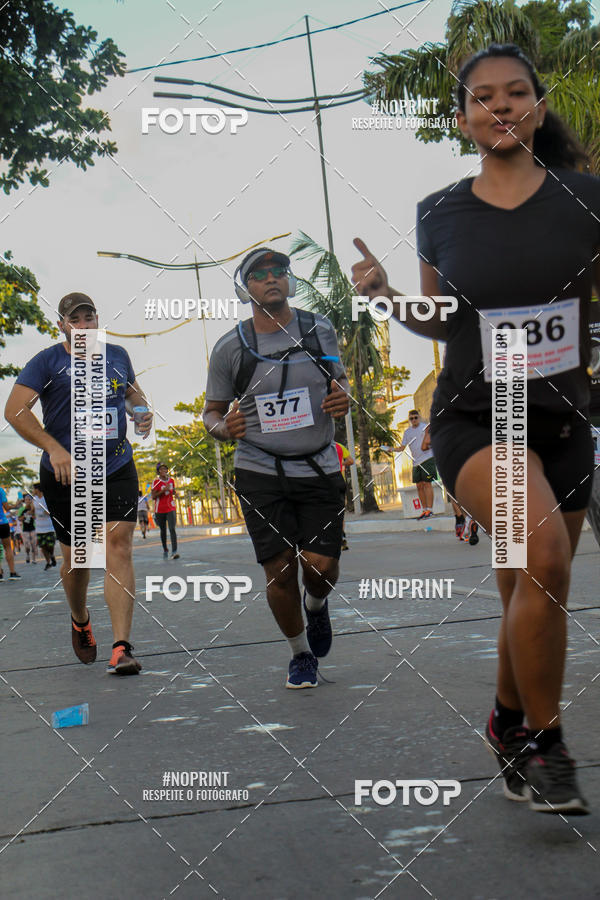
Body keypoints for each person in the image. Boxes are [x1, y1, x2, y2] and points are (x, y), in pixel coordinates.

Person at [352, 43, 598, 814]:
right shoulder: (440, 211)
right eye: (483, 97)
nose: (501, 106)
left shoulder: (587, 198)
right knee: (545, 555)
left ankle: (506, 720)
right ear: (462, 119)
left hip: (562, 416)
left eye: (516, 92)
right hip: (476, 414)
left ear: (539, 107)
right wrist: (386, 295)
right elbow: (442, 318)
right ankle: (547, 745)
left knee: (531, 585)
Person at [203, 247, 349, 688]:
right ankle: (300, 654)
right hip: (259, 470)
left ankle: (316, 605)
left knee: (321, 566)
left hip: (319, 465)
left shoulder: (319, 330)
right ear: (245, 288)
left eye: (279, 270)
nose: (271, 278)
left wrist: (342, 397)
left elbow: (340, 381)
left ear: (289, 280)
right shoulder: (230, 347)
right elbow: (211, 413)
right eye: (259, 274)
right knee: (280, 568)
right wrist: (223, 428)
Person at [5, 292, 153, 675]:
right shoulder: (47, 362)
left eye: (89, 318)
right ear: (62, 326)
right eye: (76, 320)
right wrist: (53, 448)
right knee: (78, 560)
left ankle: (121, 648)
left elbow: (132, 392)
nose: (84, 326)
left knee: (118, 547)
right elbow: (15, 410)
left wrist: (140, 411)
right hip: (66, 474)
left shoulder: (117, 355)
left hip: (116, 465)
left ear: (97, 320)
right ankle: (80, 616)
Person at [388, 410, 437, 519]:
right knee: (419, 486)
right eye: (411, 418)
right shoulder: (407, 432)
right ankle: (424, 510)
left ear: (419, 417)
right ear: (409, 420)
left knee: (427, 484)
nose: (414, 420)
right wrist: (392, 449)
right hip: (415, 462)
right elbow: (402, 448)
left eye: (415, 417)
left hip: (427, 458)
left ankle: (430, 510)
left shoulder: (425, 428)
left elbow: (433, 440)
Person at [152, 464, 179, 559]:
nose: (163, 470)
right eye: (161, 469)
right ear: (158, 471)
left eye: (165, 469)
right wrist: (163, 491)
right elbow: (153, 496)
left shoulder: (171, 481)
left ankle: (174, 551)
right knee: (163, 530)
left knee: (172, 528)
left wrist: (175, 493)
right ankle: (165, 549)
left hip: (171, 507)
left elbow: (173, 491)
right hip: (160, 509)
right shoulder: (156, 482)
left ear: (167, 470)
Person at [32, 483, 57, 570]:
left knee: (50, 545)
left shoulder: (46, 498)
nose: (32, 491)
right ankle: (48, 562)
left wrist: (49, 511)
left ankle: (52, 555)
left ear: (37, 489)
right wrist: (30, 513)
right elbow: (32, 510)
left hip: (49, 526)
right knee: (43, 546)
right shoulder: (34, 500)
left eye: (33, 489)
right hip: (39, 528)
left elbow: (54, 508)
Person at [335, 442, 354, 550]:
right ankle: (342, 538)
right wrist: (340, 463)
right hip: (339, 481)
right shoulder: (339, 446)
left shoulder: (319, 446)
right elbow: (351, 461)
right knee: (340, 512)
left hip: (324, 483)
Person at [0, 485, 20, 578]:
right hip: (2, 523)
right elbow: (7, 508)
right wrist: (16, 505)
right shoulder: (1, 490)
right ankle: (12, 572)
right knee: (8, 547)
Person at [20, 494, 37, 563]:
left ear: (31, 501)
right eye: (26, 500)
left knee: (33, 544)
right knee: (27, 545)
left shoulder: (34, 509)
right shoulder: (22, 509)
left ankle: (34, 559)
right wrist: (24, 516)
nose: (28, 501)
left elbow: (36, 517)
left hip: (33, 528)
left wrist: (32, 514)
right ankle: (27, 555)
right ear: (24, 501)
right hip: (25, 529)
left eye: (29, 499)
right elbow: (19, 519)